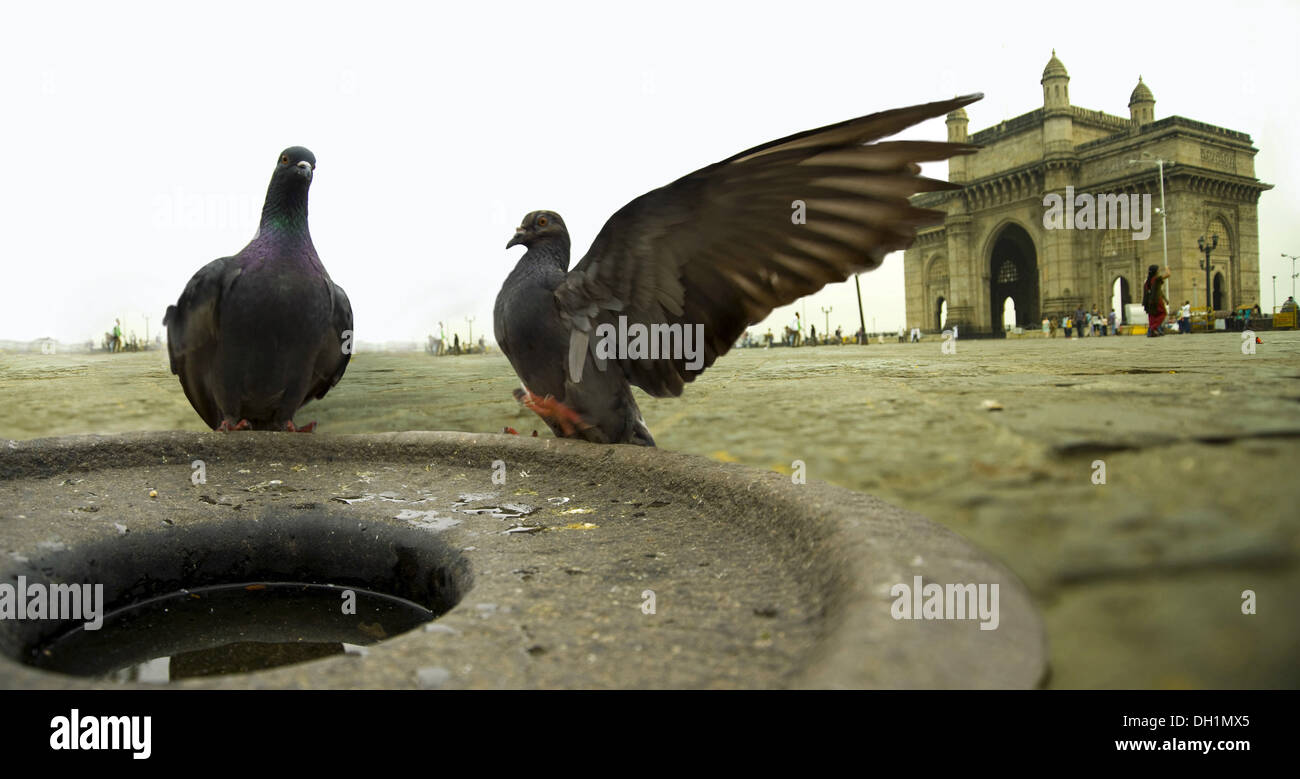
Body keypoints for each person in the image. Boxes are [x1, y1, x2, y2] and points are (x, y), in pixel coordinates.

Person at [1142, 264, 1171, 337]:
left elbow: (1158, 291)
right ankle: (1153, 328)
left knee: (1152, 315)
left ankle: (1152, 331)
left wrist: (1165, 299)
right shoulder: (1156, 279)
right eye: (1158, 270)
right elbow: (1168, 274)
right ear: (1156, 272)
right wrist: (1167, 268)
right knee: (1163, 313)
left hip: (1149, 302)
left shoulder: (1147, 282)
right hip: (1157, 301)